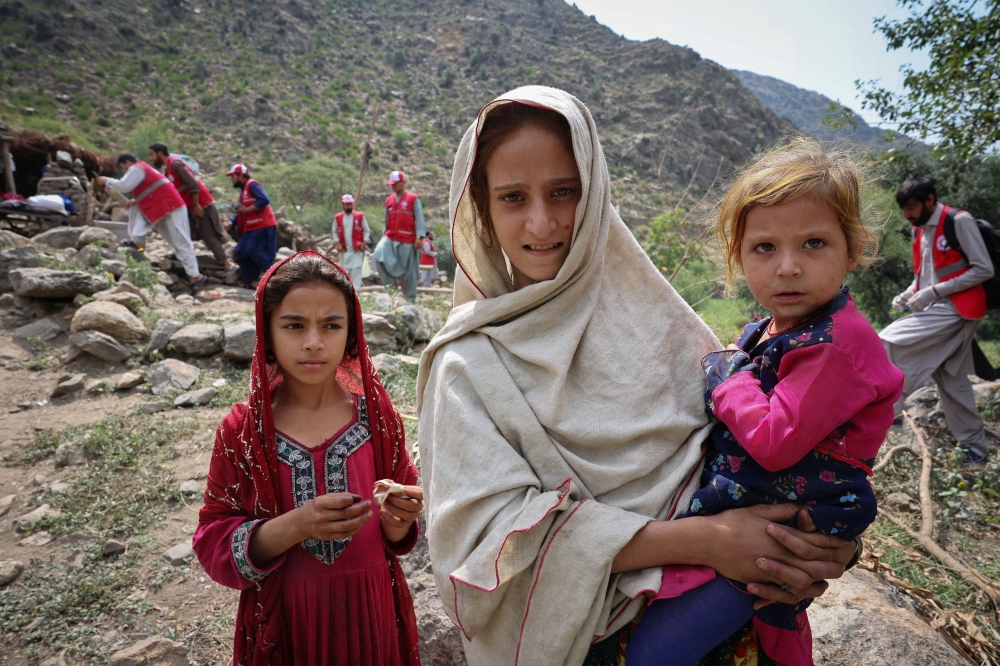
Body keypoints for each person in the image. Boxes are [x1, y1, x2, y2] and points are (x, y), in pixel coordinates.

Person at [416, 87, 859, 666]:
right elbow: (487, 545)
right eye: (512, 197)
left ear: (595, 191)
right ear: (481, 207)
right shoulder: (468, 367)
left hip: (731, 629)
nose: (542, 221)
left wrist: (821, 548)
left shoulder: (661, 324)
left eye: (563, 191)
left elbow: (785, 456)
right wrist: (708, 542)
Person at [626, 139, 903, 666]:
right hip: (744, 522)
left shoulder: (834, 346)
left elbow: (774, 442)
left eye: (814, 243)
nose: (788, 267)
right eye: (765, 248)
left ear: (854, 248)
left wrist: (729, 380)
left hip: (767, 542)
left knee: (654, 654)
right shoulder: (782, 328)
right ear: (738, 256)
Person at [193, 251, 423, 664]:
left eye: (331, 325)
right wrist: (295, 525)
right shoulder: (243, 432)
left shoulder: (379, 419)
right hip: (288, 626)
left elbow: (397, 529)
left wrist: (399, 518)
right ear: (267, 333)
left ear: (351, 334)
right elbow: (212, 539)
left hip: (373, 616)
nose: (314, 342)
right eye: (294, 325)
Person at [880, 177, 995, 465]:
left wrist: (934, 292)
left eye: (912, 207)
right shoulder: (920, 230)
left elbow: (984, 269)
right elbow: (923, 278)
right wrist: (907, 294)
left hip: (957, 309)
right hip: (937, 307)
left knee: (888, 340)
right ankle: (976, 450)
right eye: (905, 209)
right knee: (952, 380)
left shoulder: (959, 221)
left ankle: (886, 415)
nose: (907, 214)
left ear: (930, 199)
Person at [96, 153, 207, 293]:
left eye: (123, 168)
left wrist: (105, 180)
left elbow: (124, 186)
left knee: (181, 243)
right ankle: (139, 243)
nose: (124, 171)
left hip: (170, 206)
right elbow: (151, 188)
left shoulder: (137, 168)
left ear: (128, 163)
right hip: (165, 207)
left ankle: (196, 276)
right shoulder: (144, 169)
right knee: (176, 243)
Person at [148, 142, 237, 277]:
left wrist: (196, 205)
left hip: (201, 205)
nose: (151, 158)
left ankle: (227, 263)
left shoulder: (176, 165)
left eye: (152, 155)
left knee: (208, 234)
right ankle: (181, 255)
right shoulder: (168, 170)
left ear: (160, 153)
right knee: (183, 232)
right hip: (189, 207)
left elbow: (193, 185)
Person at [373, 171, 425, 301]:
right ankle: (391, 288)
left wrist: (420, 237)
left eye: (396, 184)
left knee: (409, 272)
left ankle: (410, 299)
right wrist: (383, 237)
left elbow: (419, 218)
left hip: (408, 240)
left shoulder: (413, 199)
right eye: (391, 184)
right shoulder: (389, 200)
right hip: (390, 238)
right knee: (378, 253)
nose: (393, 186)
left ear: (403, 183)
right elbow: (386, 221)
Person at [226, 163, 278, 289]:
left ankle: (275, 275)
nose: (232, 179)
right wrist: (231, 223)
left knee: (252, 250)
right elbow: (241, 212)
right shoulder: (243, 192)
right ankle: (254, 281)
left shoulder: (252, 185)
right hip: (252, 227)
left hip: (263, 225)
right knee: (241, 251)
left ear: (241, 175)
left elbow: (264, 200)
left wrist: (246, 210)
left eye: (233, 176)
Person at [333, 194, 372, 289]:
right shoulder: (338, 217)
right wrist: (338, 243)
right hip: (344, 250)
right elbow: (334, 232)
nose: (348, 206)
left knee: (356, 271)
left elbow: (366, 230)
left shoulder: (360, 216)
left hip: (357, 250)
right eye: (346, 204)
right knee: (344, 273)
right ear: (343, 204)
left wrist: (364, 242)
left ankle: (357, 293)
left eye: (350, 204)